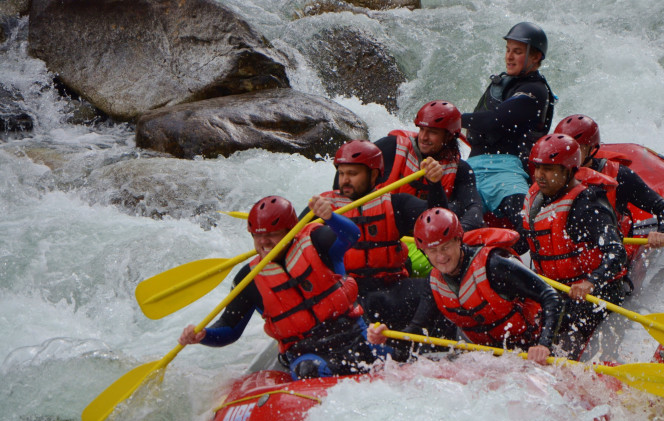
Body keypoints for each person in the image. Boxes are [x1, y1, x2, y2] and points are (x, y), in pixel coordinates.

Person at [178, 195, 386, 380]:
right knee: (309, 370)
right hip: (307, 352)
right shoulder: (249, 278)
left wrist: (331, 217)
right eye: (257, 236)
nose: (264, 242)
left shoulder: (316, 241)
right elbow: (230, 328)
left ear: (291, 230)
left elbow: (351, 236)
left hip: (353, 334)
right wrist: (203, 335)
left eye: (273, 234)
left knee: (388, 357)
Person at [368, 208, 563, 364]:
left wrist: (544, 345)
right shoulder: (435, 282)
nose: (441, 257)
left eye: (445, 247)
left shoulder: (494, 264)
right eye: (433, 251)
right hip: (488, 357)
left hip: (531, 349)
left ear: (458, 240)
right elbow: (418, 330)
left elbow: (550, 296)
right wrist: (386, 336)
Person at [318, 140, 450, 331]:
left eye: (353, 174)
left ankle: (413, 335)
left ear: (373, 174)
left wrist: (434, 184)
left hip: (392, 290)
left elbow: (438, 221)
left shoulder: (395, 204)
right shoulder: (323, 208)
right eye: (342, 173)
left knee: (437, 287)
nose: (345, 180)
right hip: (348, 294)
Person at [522, 134, 627, 359]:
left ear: (569, 170)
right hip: (556, 293)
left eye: (548, 169)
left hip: (597, 295)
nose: (540, 175)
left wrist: (591, 282)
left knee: (564, 347)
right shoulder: (536, 200)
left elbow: (617, 252)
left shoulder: (588, 206)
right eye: (537, 167)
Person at [460, 21, 556, 237]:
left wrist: (455, 119)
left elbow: (496, 120)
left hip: (508, 170)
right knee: (455, 220)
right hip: (472, 167)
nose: (509, 57)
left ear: (536, 57)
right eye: (508, 50)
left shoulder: (535, 90)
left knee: (526, 226)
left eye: (518, 52)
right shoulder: (505, 83)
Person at [553, 114, 664, 249]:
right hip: (566, 257)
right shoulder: (549, 178)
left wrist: (663, 233)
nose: (567, 156)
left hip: (611, 257)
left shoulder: (620, 176)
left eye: (575, 148)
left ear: (591, 148)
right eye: (563, 149)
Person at [372, 100, 484, 232]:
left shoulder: (460, 169)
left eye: (432, 132)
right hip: (382, 227)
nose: (423, 137)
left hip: (427, 238)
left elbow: (474, 209)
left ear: (448, 136)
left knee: (456, 209)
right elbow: (353, 173)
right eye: (422, 129)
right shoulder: (391, 146)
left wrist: (457, 233)